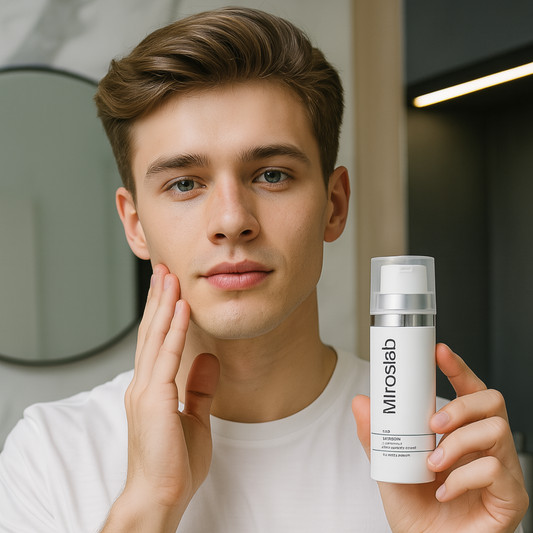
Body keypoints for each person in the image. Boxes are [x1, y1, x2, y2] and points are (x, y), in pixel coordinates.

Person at [0, 7, 528, 533]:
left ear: (335, 205)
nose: (232, 221)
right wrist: (149, 503)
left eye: (272, 175)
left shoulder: (445, 453)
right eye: (184, 184)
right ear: (135, 225)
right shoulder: (50, 456)